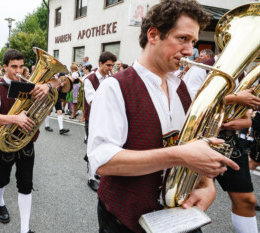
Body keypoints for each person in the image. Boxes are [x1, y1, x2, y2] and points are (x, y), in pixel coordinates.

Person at [87, 1, 239, 232]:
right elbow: (103, 161)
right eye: (183, 39)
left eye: (194, 42)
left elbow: (195, 145)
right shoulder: (114, 87)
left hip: (178, 217)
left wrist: (207, 185)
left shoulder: (184, 88)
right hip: (125, 220)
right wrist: (180, 155)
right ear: (154, 35)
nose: (191, 51)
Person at [0, 49, 59, 233]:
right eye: (14, 67)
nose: (19, 71)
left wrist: (48, 85)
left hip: (26, 142)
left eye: (21, 66)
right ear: (4, 67)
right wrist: (15, 119)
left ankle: (25, 229)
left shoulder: (31, 85)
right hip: (5, 143)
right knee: (2, 179)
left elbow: (60, 81)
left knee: (26, 184)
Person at [84, 52, 116, 192]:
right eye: (108, 65)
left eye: (112, 66)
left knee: (105, 146)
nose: (110, 68)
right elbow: (93, 101)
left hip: (107, 117)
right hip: (92, 117)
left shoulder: (111, 78)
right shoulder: (89, 79)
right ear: (100, 64)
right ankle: (91, 177)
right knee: (93, 146)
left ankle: (97, 170)